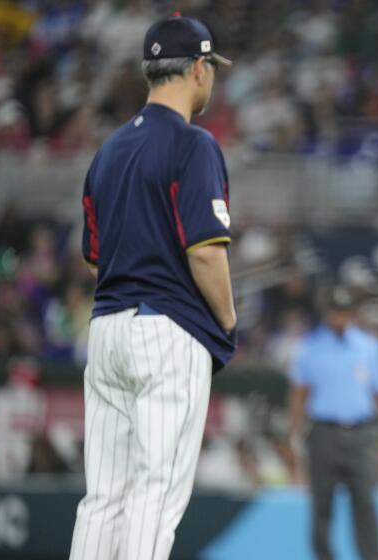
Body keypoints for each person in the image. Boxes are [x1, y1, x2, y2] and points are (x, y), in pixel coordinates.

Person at [69, 14, 236, 560]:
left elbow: (95, 257)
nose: (212, 77)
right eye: (211, 67)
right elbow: (206, 253)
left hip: (108, 331)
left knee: (104, 498)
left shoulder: (109, 150)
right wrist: (228, 320)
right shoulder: (194, 145)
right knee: (153, 496)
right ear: (196, 68)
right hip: (167, 333)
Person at [284, 286, 378, 560]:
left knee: (365, 504)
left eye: (345, 313)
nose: (340, 319)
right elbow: (299, 395)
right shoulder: (309, 347)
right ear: (327, 313)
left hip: (360, 434)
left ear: (353, 313)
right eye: (336, 312)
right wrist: (291, 436)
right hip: (322, 433)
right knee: (321, 506)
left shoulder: (369, 347)